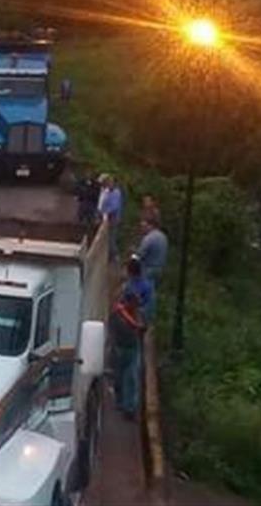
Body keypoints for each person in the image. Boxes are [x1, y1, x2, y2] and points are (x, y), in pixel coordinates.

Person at [110, 257, 153, 418]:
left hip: (126, 345)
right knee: (127, 376)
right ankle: (126, 404)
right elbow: (141, 323)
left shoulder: (123, 303)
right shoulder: (144, 290)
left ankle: (126, 405)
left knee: (126, 376)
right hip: (128, 344)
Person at [134, 215, 168, 288]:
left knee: (143, 290)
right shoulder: (163, 236)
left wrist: (132, 257)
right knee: (152, 291)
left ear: (151, 226)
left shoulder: (148, 238)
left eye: (144, 226)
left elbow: (139, 255)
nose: (142, 229)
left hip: (148, 269)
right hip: (159, 269)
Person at [97, 174, 123, 261]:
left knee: (111, 237)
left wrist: (105, 212)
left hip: (112, 218)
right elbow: (101, 202)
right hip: (103, 217)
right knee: (104, 236)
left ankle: (114, 255)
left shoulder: (116, 192)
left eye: (104, 183)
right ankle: (106, 254)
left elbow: (114, 207)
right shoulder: (104, 191)